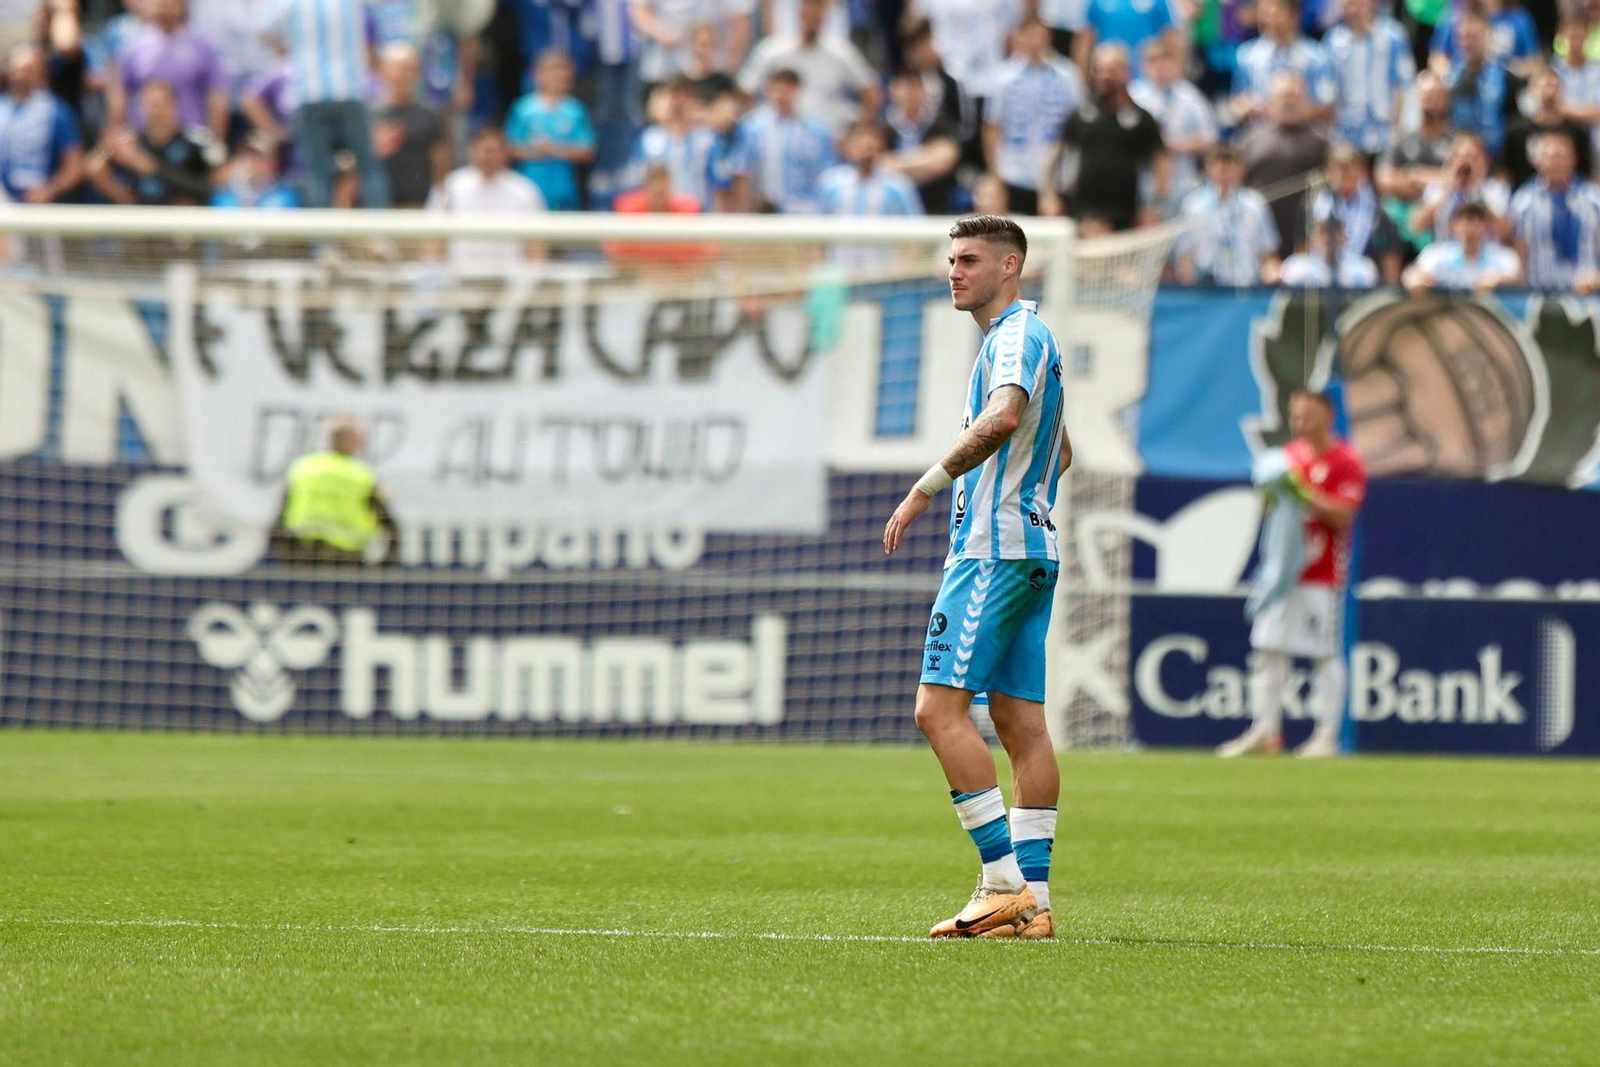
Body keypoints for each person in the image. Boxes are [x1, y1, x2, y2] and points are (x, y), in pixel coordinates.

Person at [881, 214, 1069, 940]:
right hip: (1032, 547)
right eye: (951, 260)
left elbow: (1004, 419)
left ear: (1009, 265)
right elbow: (1061, 448)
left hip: (992, 551)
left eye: (968, 260)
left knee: (937, 711)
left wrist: (925, 488)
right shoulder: (1027, 339)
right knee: (1022, 725)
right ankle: (1036, 903)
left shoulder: (1016, 337)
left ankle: (1001, 884)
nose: (953, 271)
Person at [1217, 389, 1366, 760]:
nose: (1300, 423)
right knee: (1267, 648)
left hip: (1321, 575)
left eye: (1307, 416)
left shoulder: (1346, 461)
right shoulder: (1287, 457)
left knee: (1323, 654)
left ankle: (1326, 736)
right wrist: (1274, 496)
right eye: (1296, 416)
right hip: (1281, 575)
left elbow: (1343, 514)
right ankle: (1266, 731)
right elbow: (1273, 514)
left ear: (1328, 416)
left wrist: (1302, 492)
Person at [269, 0, 391, 210]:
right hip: (350, 88)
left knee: (316, 169)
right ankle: (380, 224)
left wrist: (290, 53)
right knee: (368, 165)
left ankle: (322, 228)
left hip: (310, 90)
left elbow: (265, 29)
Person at [1040, 42, 1162, 232]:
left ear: (1126, 72)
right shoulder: (1081, 114)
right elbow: (1055, 155)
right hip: (1085, 211)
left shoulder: (1141, 118)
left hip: (1127, 214)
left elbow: (1161, 163)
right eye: (1100, 70)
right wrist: (1048, 195)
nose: (1105, 76)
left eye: (1111, 71)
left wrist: (1154, 206)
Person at [983, 17, 1083, 217]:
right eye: (1030, 36)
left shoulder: (1068, 75)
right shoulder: (1003, 77)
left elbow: (1079, 122)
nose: (1036, 42)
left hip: (1060, 176)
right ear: (1019, 37)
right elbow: (992, 128)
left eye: (1040, 36)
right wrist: (995, 175)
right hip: (1015, 173)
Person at [739, 0, 879, 137]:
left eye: (816, 16)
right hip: (780, 136)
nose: (812, 20)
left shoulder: (841, 52)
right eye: (808, 14)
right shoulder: (773, 49)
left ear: (825, 16)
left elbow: (872, 93)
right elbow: (744, 91)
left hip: (831, 135)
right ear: (799, 14)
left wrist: (856, 134)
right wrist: (758, 124)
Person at [273, 420, 398, 568]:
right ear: (351, 441)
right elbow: (388, 522)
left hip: (302, 554)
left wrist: (282, 554)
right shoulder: (361, 475)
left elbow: (281, 515)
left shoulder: (304, 468)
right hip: (346, 559)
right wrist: (386, 564)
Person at [427, 127, 548, 269]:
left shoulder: (525, 190)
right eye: (485, 150)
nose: (488, 157)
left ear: (505, 153)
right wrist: (432, 270)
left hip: (511, 274)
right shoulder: (450, 186)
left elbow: (537, 242)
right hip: (462, 274)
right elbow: (433, 237)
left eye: (494, 151)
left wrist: (535, 274)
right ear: (472, 150)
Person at [1237, 72, 1328, 257]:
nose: (1289, 103)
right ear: (1271, 102)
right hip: (1261, 238)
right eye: (1284, 97)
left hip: (1304, 240)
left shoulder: (1321, 142)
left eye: (1295, 96)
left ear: (1306, 101)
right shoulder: (1250, 140)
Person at [110, 0, 226, 141]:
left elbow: (217, 96)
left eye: (170, 2)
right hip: (142, 139)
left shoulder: (203, 46)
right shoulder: (133, 46)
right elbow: (120, 96)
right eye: (159, 2)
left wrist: (216, 141)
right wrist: (112, 134)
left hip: (191, 137)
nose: (164, 7)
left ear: (182, 5)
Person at [85, 80, 209, 205]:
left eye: (161, 105)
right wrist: (121, 195)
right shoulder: (130, 140)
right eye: (151, 105)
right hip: (138, 211)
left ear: (175, 106)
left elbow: (210, 189)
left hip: (178, 212)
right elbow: (94, 166)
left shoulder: (194, 142)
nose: (156, 112)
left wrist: (151, 167)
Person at [1130, 37, 1217, 210]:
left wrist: (1176, 145)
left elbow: (1210, 140)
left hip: (1184, 182)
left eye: (1166, 61)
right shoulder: (1134, 95)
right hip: (1144, 182)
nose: (1160, 67)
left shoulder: (1190, 96)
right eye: (1154, 62)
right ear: (1143, 66)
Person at [1175, 144, 1282, 285]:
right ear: (1207, 169)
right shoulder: (1193, 206)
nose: (1224, 172)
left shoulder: (1254, 204)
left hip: (1246, 286)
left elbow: (1269, 254)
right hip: (1205, 287)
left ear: (1241, 169)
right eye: (1218, 166)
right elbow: (1185, 256)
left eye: (1230, 166)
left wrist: (1273, 275)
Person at [1510, 132, 1600, 294]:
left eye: (1562, 157)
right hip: (1540, 293)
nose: (1557, 163)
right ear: (1537, 161)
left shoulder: (1593, 199)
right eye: (1551, 157)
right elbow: (1520, 252)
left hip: (1588, 294)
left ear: (1574, 159)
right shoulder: (1523, 202)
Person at [506, 51, 596, 211]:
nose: (558, 79)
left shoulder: (574, 110)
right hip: (530, 187)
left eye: (563, 76)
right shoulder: (524, 109)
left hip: (564, 189)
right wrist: (535, 151)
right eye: (553, 74)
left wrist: (554, 149)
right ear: (538, 75)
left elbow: (587, 151)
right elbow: (509, 148)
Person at [739, 67, 836, 213]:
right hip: (765, 212)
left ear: (797, 91)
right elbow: (744, 172)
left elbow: (825, 176)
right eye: (775, 91)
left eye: (786, 91)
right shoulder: (752, 128)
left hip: (805, 212)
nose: (780, 96)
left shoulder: (816, 131)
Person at [1325, 0, 1415, 156]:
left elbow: (1404, 86)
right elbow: (1330, 94)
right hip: (1346, 137)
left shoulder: (1393, 36)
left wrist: (1400, 130)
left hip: (1385, 135)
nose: (1353, 8)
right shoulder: (1333, 41)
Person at [1231, 0, 1336, 127]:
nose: (1267, 20)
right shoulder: (1247, 57)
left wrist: (1292, 112)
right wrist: (1247, 109)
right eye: (1263, 13)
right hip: (1260, 133)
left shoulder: (1317, 58)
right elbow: (1237, 104)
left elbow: (1328, 109)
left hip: (1305, 133)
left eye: (1273, 14)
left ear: (1294, 16)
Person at [0, 43, 82, 204]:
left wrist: (49, 190)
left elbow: (75, 165)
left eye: (28, 70)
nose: (20, 76)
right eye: (17, 69)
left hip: (40, 205)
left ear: (41, 73)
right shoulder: (2, 107)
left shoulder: (56, 112)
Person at [371, 42, 450, 210]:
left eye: (413, 69)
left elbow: (440, 161)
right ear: (384, 71)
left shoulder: (430, 115)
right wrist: (375, 149)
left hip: (417, 206)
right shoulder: (369, 115)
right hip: (376, 207)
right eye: (402, 69)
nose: (407, 75)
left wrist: (441, 202)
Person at [1311, 144, 1405, 283]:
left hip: (1363, 277)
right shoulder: (1314, 205)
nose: (1343, 174)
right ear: (1328, 172)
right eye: (1337, 168)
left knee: (1361, 273)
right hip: (1321, 269)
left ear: (1362, 171)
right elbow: (1304, 246)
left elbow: (1391, 263)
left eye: (1349, 168)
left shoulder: (1377, 211)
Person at [1501, 65, 1594, 193]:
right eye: (1544, 85)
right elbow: (1506, 174)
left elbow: (1586, 175)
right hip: (1524, 198)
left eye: (1553, 85)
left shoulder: (1578, 133)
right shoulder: (1516, 133)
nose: (1549, 92)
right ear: (1532, 89)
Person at [631, 74, 717, 206]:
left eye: (684, 95)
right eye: (674, 95)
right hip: (663, 213)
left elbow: (718, 186)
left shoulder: (707, 140)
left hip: (698, 212)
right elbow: (639, 184)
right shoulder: (650, 140)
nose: (678, 102)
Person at [883, 66, 960, 213]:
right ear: (892, 91)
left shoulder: (940, 124)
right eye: (902, 87)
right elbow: (877, 164)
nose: (908, 93)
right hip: (893, 210)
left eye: (913, 86)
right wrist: (924, 161)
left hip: (935, 203)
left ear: (923, 90)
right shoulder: (884, 128)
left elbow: (943, 161)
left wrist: (896, 165)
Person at [632, 0, 754, 92]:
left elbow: (740, 21)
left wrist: (730, 68)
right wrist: (662, 35)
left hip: (712, 73)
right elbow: (640, 11)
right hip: (665, 70)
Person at [1410, 132, 1510, 243]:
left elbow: (1504, 232)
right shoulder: (1438, 187)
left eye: (1473, 158)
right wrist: (1450, 188)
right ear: (1452, 161)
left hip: (1486, 250)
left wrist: (1477, 191)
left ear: (1484, 161)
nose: (1467, 162)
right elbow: (1417, 226)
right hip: (1446, 249)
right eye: (1461, 157)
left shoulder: (1496, 189)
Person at [1403, 199, 1521, 292]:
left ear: (1487, 227)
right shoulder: (1437, 254)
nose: (1471, 229)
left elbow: (1517, 278)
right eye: (1466, 221)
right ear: (1453, 226)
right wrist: (1418, 279)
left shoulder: (1502, 256)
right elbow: (1412, 276)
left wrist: (1498, 281)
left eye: (1478, 221)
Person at [1374, 70, 1454, 206]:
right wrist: (1432, 184)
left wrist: (1415, 175)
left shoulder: (1457, 141)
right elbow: (1383, 179)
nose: (1432, 103)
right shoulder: (1403, 138)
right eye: (1427, 97)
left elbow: (1456, 181)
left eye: (1437, 96)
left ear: (1447, 99)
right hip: (1405, 210)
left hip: (1444, 211)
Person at [1442, 10, 1512, 158]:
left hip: (1494, 153)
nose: (1468, 44)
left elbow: (1511, 118)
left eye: (1473, 37)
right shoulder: (1449, 78)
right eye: (1463, 38)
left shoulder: (1505, 76)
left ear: (1487, 35)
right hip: (1456, 152)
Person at [1072, 0, 1183, 77]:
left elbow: (1171, 38)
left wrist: (1176, 75)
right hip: (1109, 76)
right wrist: (1082, 79)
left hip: (1147, 79)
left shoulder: (1159, 2)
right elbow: (1085, 41)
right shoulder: (1096, 2)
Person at [211, 132, 299, 208]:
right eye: (248, 154)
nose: (252, 160)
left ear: (274, 162)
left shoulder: (286, 195)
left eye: (260, 155)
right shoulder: (224, 192)